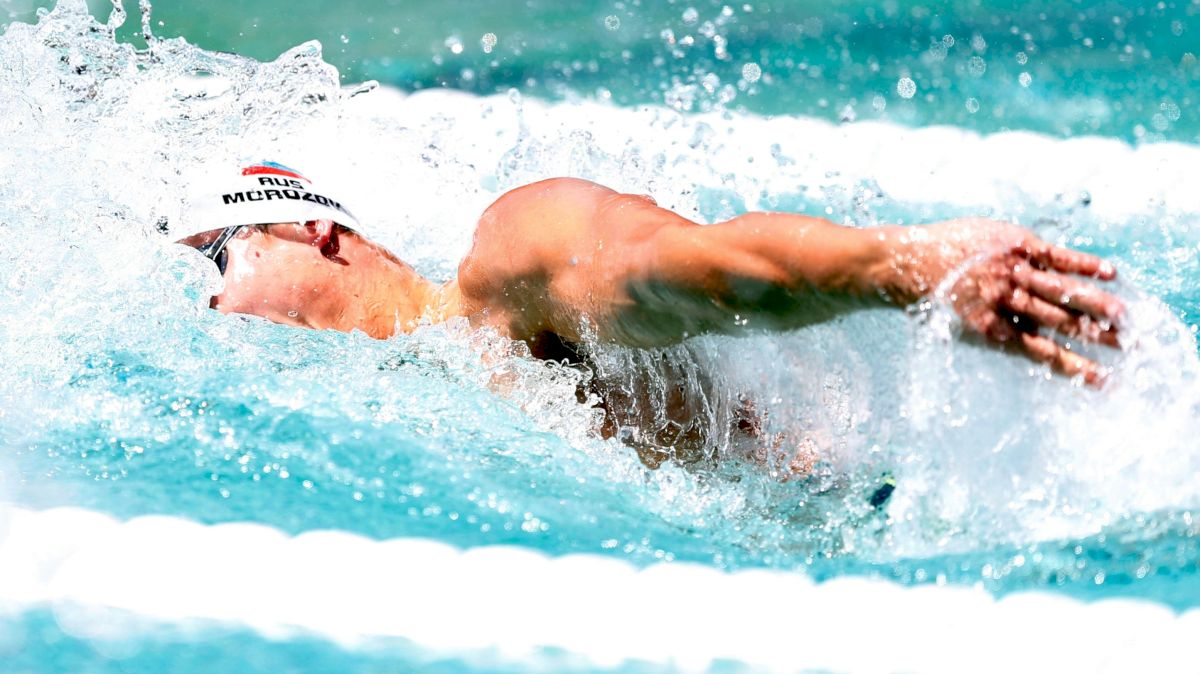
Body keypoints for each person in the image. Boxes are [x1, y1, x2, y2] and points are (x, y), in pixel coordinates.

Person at [180, 161, 1124, 468]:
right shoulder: (403, 407)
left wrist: (907, 270)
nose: (212, 304)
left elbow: (694, 271)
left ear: (313, 229)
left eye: (219, 259)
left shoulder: (511, 262)